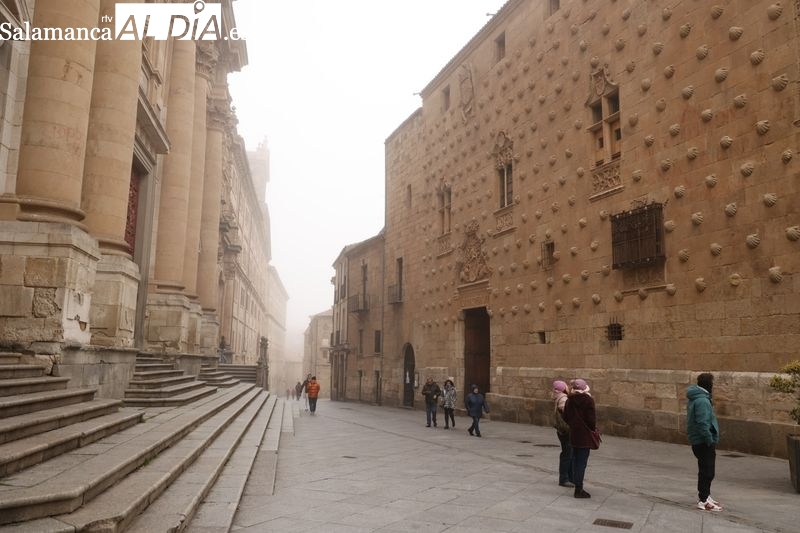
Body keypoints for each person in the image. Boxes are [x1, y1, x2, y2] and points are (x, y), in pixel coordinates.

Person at [687, 372, 722, 512]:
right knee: (707, 471)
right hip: (703, 441)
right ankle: (703, 500)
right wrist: (709, 439)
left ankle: (706, 496)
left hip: (699, 440)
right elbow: (702, 422)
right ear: (708, 384)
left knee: (707, 470)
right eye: (712, 383)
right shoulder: (702, 400)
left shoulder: (699, 397)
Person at [563, 378, 595, 498]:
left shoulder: (569, 401)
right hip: (585, 435)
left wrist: (573, 424)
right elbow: (592, 420)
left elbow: (565, 417)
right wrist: (592, 428)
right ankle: (579, 489)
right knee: (581, 462)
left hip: (574, 434)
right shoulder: (588, 400)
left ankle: (576, 483)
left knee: (575, 460)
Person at [552, 380, 574, 487]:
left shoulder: (557, 396)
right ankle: (564, 478)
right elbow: (566, 411)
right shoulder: (563, 398)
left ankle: (569, 477)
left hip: (561, 430)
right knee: (567, 453)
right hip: (566, 430)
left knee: (568, 452)